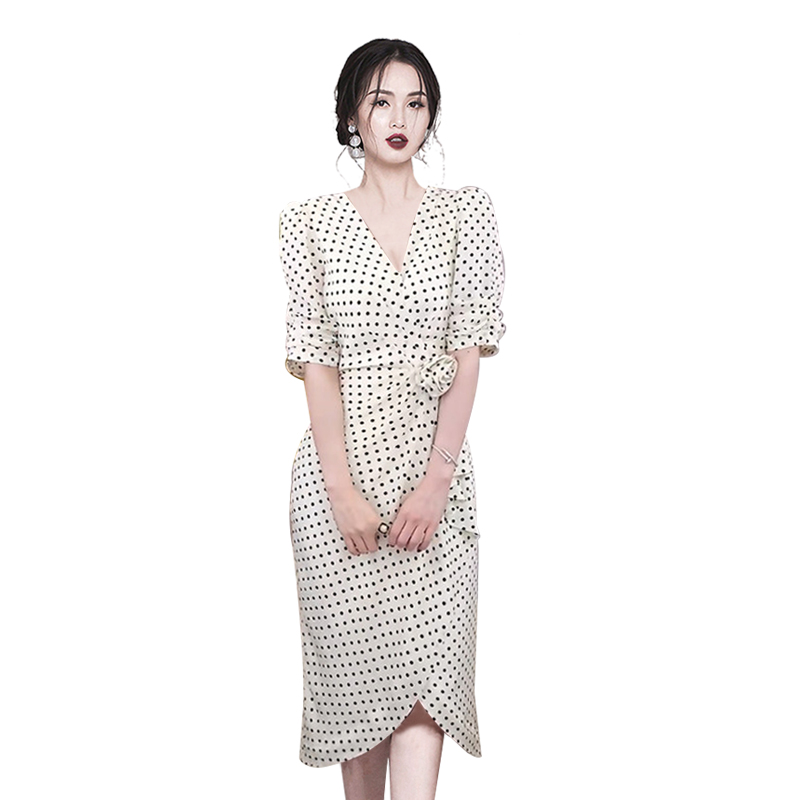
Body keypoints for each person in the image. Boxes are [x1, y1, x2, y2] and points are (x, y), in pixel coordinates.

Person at [279, 38, 507, 800]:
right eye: (381, 101)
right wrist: (341, 491)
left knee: (425, 695)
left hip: (433, 479)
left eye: (416, 102)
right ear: (353, 114)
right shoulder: (308, 225)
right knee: (359, 704)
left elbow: (468, 353)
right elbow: (317, 361)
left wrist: (435, 485)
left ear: (431, 115)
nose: (399, 118)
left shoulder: (464, 213)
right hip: (338, 484)